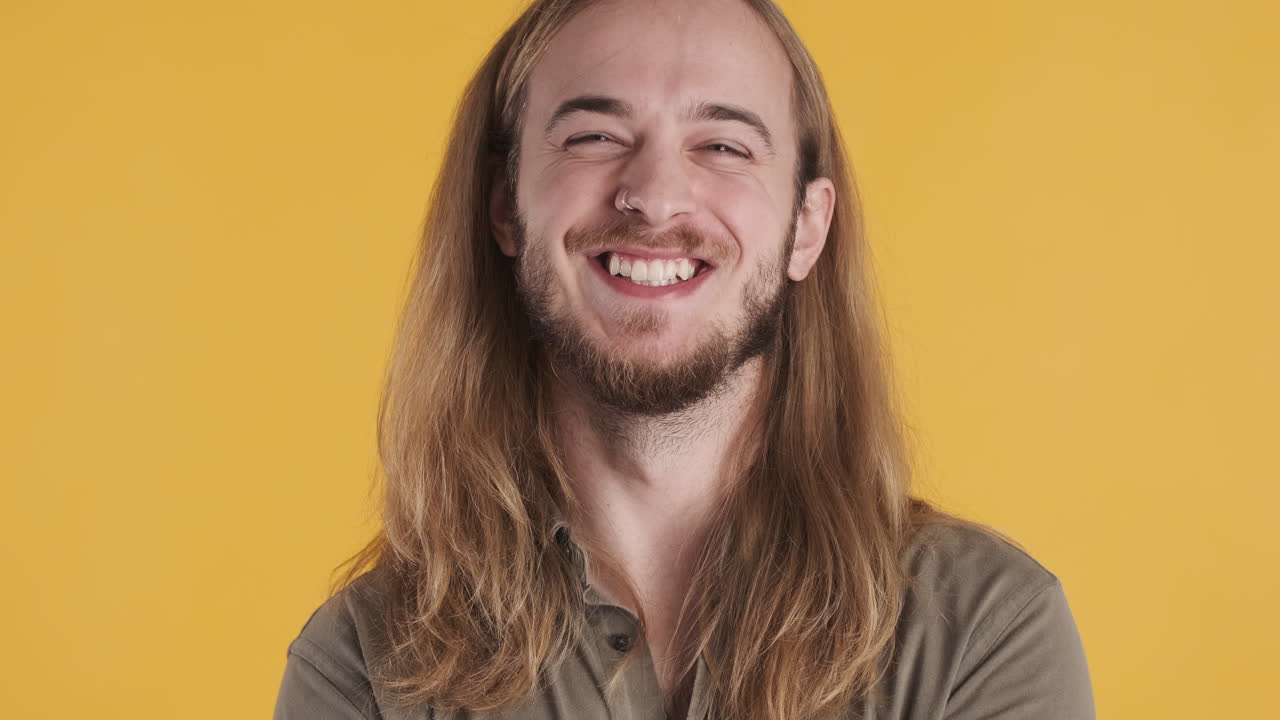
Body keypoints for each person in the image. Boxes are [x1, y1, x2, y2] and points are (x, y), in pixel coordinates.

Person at [273, 0, 1095, 718]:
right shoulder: (369, 664)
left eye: (725, 146)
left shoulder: (982, 632)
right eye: (594, 135)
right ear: (504, 206)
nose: (657, 196)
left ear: (807, 228)